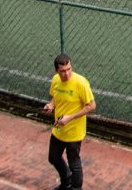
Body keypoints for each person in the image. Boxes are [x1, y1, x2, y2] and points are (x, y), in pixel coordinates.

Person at [44, 54, 96, 190]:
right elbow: (55, 97)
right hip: (59, 128)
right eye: (63, 71)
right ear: (57, 71)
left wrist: (70, 117)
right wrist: (51, 105)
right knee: (53, 157)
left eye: (69, 69)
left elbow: (91, 105)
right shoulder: (55, 80)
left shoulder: (80, 83)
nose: (66, 73)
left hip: (74, 131)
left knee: (74, 164)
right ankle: (66, 181)